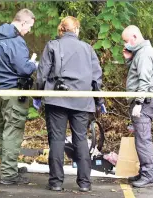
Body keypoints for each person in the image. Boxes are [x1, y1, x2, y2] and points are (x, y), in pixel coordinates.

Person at [35, 16, 104, 192]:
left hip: (57, 99)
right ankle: (85, 183)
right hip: (81, 100)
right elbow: (96, 79)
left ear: (62, 30)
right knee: (80, 139)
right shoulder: (88, 49)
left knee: (56, 140)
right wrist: (99, 101)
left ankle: (56, 182)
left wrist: (37, 94)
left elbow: (42, 74)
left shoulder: (52, 46)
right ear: (77, 30)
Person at [0, 9, 37, 185]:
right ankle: (9, 174)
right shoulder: (16, 41)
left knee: (3, 130)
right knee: (13, 132)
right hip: (14, 91)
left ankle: (8, 167)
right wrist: (33, 64)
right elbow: (23, 69)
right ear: (22, 23)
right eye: (29, 26)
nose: (29, 30)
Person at [121, 25, 153, 188]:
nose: (125, 44)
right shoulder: (140, 53)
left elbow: (144, 81)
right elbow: (136, 76)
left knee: (143, 140)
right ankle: (144, 172)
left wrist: (138, 102)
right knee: (140, 140)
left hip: (144, 102)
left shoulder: (144, 54)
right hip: (144, 101)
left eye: (127, 41)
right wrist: (129, 59)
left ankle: (149, 176)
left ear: (135, 37)